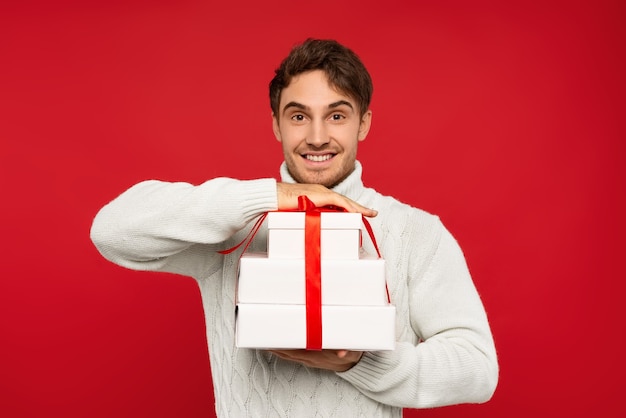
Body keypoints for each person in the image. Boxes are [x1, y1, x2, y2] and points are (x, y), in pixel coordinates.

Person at [90, 38, 498, 417]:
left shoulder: (415, 232)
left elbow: (478, 368)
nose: (317, 137)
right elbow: (112, 230)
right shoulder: (233, 229)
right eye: (299, 116)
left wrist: (363, 362)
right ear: (276, 125)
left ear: (363, 124)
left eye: (336, 115)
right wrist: (271, 198)